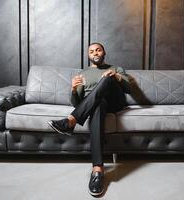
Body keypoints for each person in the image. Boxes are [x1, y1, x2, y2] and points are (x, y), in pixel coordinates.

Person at [48, 42, 130, 197]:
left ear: (104, 53)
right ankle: (97, 170)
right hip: (96, 105)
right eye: (92, 51)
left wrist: (116, 76)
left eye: (98, 50)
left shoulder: (116, 69)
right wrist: (73, 90)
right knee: (98, 105)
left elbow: (128, 89)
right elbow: (78, 103)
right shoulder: (83, 73)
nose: (95, 53)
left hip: (115, 101)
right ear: (88, 55)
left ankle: (71, 121)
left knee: (108, 79)